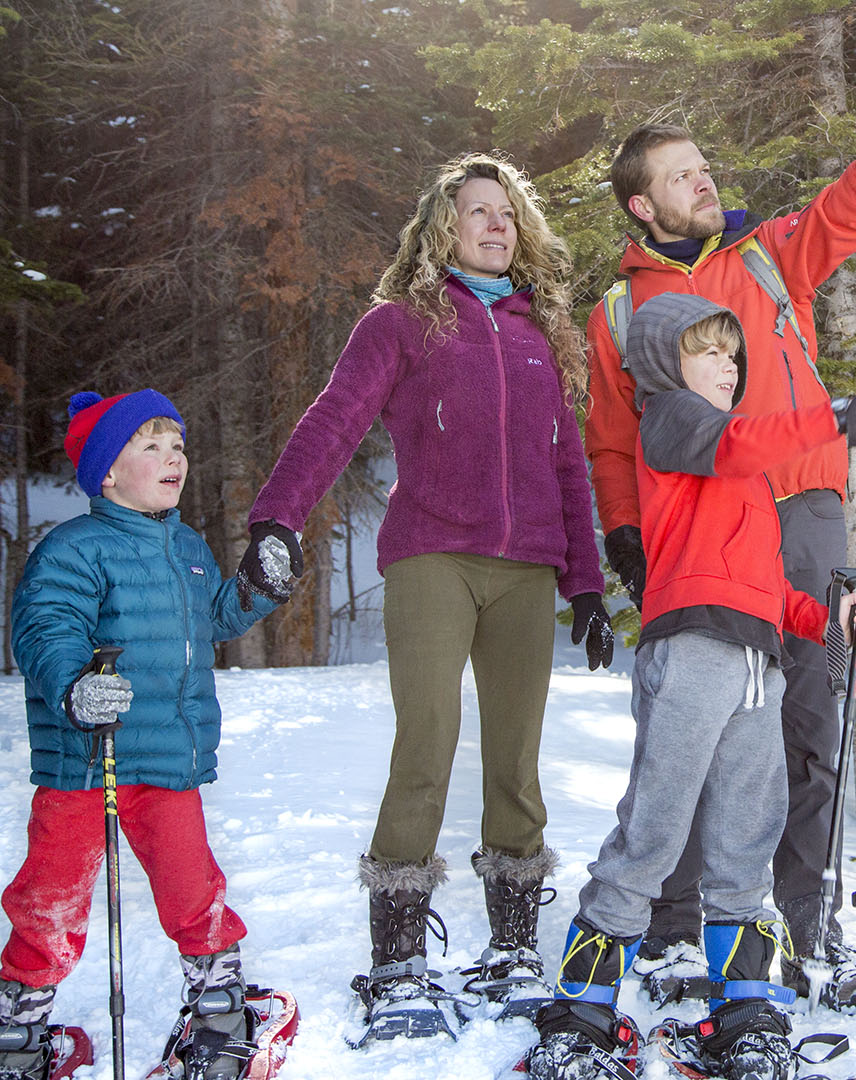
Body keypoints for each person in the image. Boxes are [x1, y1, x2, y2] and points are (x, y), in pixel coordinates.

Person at [582, 28, 856, 999]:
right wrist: (627, 535)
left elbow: (853, 211)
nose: (705, 182)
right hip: (695, 536)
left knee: (808, 716)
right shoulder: (618, 315)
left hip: (801, 508)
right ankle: (674, 931)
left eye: (705, 168)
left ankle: (803, 927)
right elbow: (609, 439)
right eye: (683, 176)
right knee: (687, 725)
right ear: (642, 203)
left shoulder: (763, 258)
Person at [245, 153, 615, 1042]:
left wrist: (588, 585)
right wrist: (277, 520)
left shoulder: (542, 333)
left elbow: (568, 464)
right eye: (476, 211)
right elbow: (334, 418)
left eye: (506, 213)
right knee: (427, 740)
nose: (495, 224)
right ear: (441, 227)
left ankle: (514, 946)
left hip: (526, 568)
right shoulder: (402, 324)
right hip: (431, 558)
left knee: (518, 756)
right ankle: (399, 957)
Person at [528, 294, 856, 1080]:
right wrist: (843, 414)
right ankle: (580, 1009)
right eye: (709, 350)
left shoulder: (743, 479)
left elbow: (763, 589)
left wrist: (829, 617)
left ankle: (745, 1006)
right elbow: (737, 443)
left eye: (732, 354)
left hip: (755, 666)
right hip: (694, 655)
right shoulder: (670, 420)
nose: (728, 365)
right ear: (667, 363)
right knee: (657, 831)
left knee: (747, 835)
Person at [0, 389, 291, 1080]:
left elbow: (214, 621)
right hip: (88, 761)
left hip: (168, 762)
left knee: (192, 888)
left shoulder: (190, 546)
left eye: (177, 444)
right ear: (106, 474)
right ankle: (19, 1035)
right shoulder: (74, 549)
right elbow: (45, 629)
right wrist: (75, 686)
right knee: (50, 896)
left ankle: (220, 1010)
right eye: (150, 445)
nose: (173, 456)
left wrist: (255, 588)